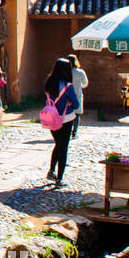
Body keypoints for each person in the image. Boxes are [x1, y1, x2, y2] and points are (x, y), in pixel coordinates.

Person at [43, 57, 80, 186]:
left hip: (51, 119)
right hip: (66, 119)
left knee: (58, 144)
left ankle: (51, 171)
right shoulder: (68, 86)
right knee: (63, 147)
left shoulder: (48, 83)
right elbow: (76, 104)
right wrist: (69, 102)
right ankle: (60, 178)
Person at [66, 52, 89, 139]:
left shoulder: (65, 72)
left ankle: (67, 132)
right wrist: (79, 86)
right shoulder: (80, 72)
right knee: (77, 115)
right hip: (77, 95)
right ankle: (74, 132)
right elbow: (85, 83)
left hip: (67, 96)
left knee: (67, 114)